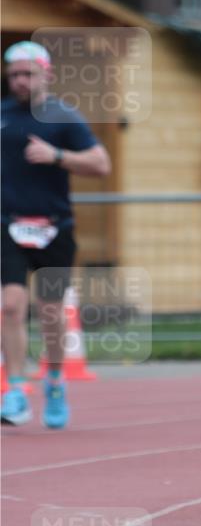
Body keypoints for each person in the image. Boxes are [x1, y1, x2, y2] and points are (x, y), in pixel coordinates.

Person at [1, 41, 111, 428]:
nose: (20, 81)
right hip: (8, 226)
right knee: (10, 305)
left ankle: (54, 380)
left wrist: (58, 156)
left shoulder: (63, 117)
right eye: (14, 74)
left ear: (46, 74)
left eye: (28, 73)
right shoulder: (2, 115)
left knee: (50, 311)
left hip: (54, 228)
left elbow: (101, 163)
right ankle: (15, 389)